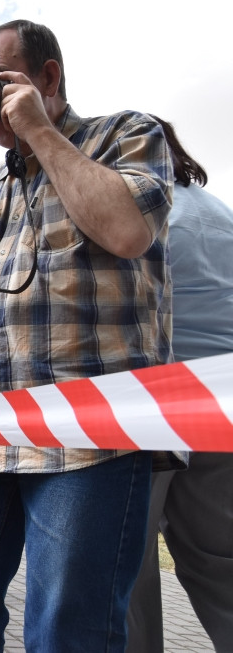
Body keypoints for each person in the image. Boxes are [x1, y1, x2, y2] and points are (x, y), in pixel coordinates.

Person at [0, 19, 173, 651]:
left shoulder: (126, 135)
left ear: (48, 76)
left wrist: (39, 132)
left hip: (89, 436)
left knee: (66, 627)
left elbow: (129, 233)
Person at [125, 117, 233, 652]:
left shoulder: (144, 214)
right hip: (224, 402)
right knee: (221, 566)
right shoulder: (221, 213)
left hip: (159, 402)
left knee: (129, 569)